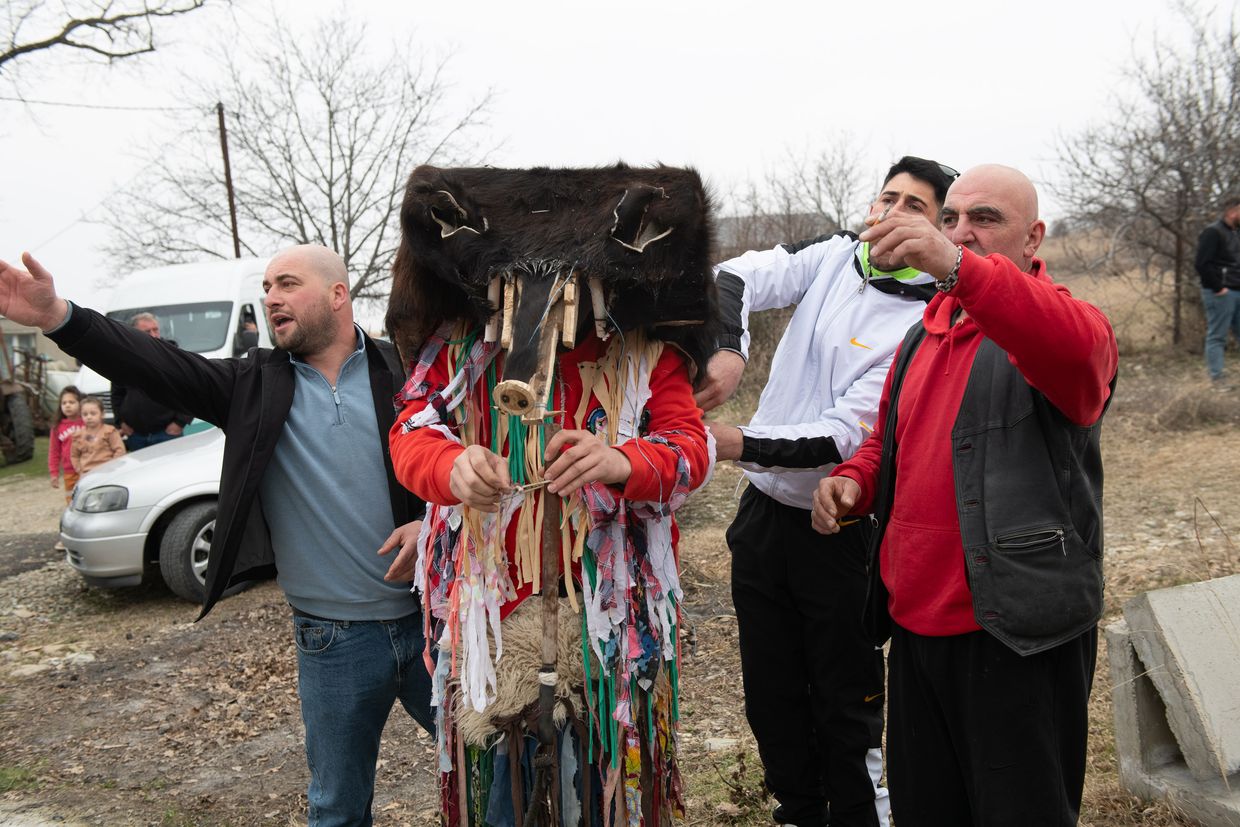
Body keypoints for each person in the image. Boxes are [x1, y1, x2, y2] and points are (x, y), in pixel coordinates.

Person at [0, 245, 433, 827]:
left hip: (432, 624)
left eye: (287, 284)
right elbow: (151, 361)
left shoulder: (406, 370)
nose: (271, 297)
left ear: (338, 295)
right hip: (333, 642)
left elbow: (466, 457)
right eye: (266, 286)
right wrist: (59, 316)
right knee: (337, 808)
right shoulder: (254, 384)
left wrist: (433, 522)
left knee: (492, 766)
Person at [811, 165, 1119, 826]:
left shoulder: (1064, 325)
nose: (960, 231)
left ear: (1033, 237)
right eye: (950, 218)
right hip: (914, 629)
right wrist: (856, 479)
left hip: (1014, 635)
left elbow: (1080, 356)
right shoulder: (921, 334)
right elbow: (889, 439)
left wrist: (957, 268)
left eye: (985, 219)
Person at [697, 156, 958, 827]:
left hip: (841, 528)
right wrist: (730, 349)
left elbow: (843, 437)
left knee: (846, 701)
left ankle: (863, 816)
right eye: (887, 198)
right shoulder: (836, 253)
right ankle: (798, 812)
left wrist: (734, 442)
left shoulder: (927, 321)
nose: (892, 213)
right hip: (762, 517)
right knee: (771, 696)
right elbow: (734, 274)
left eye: (915, 207)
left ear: (940, 231)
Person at [112, 312, 194, 450]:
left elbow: (190, 389)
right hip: (136, 435)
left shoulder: (173, 356)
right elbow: (117, 394)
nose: (153, 335)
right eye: (147, 331)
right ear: (133, 333)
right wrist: (121, 422)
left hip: (168, 433)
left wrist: (180, 422)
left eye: (155, 330)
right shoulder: (123, 359)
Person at [1194, 195, 1240, 384]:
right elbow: (1201, 264)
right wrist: (1219, 288)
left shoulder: (1235, 233)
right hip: (1220, 293)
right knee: (1217, 335)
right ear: (1231, 212)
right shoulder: (1213, 232)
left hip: (1237, 290)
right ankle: (1217, 378)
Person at [69, 395, 125, 474]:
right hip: (87, 473)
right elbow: (74, 456)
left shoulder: (109, 431)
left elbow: (120, 450)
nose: (89, 417)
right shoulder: (78, 435)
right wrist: (80, 470)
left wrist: (113, 467)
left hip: (108, 471)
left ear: (102, 414)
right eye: (85, 414)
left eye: (93, 413)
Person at [49, 384, 84, 500]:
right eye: (64, 403)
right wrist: (54, 473)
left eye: (71, 402)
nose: (67, 405)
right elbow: (54, 452)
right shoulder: (57, 427)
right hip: (70, 472)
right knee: (72, 500)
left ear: (80, 403)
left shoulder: (87, 423)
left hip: (88, 468)